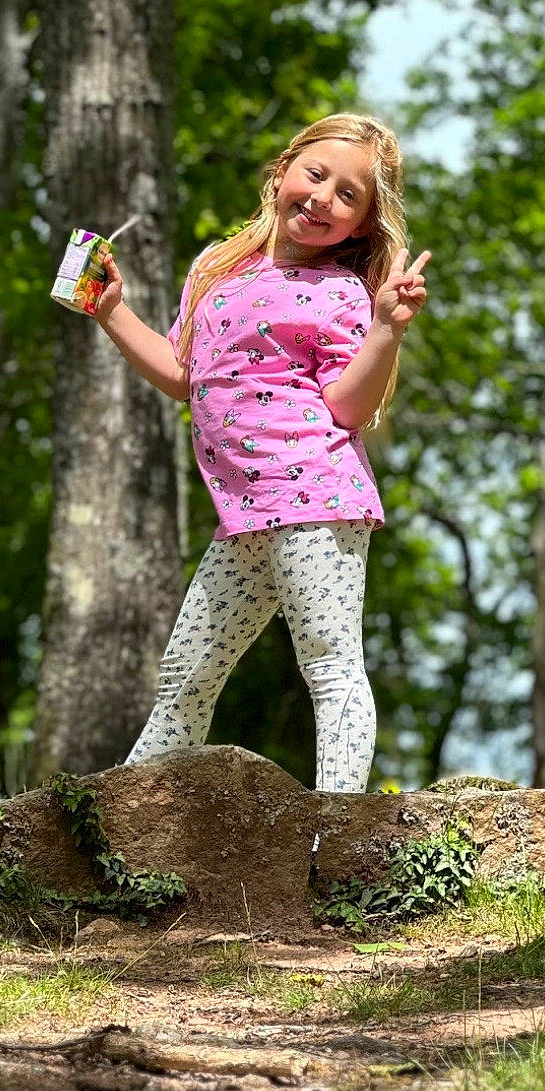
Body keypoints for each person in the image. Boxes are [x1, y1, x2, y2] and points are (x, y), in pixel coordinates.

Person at [88, 111, 429, 792]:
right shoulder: (217, 270)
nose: (323, 197)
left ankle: (335, 835)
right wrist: (111, 311)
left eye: (348, 195)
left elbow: (346, 408)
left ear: (361, 226)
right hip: (244, 517)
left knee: (330, 667)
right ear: (281, 175)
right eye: (315, 174)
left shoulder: (340, 294)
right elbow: (186, 375)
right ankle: (121, 822)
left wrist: (386, 331)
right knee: (185, 677)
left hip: (314, 498)